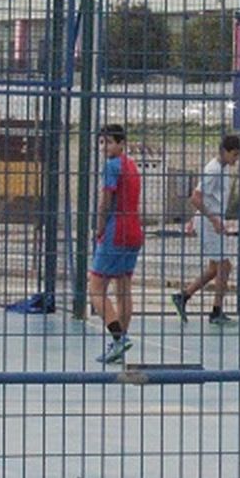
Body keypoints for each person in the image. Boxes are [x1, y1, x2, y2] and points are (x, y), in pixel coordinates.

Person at [172, 134, 240, 324]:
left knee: (214, 268)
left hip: (210, 219)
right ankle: (216, 311)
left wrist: (193, 218)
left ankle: (183, 296)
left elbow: (207, 197)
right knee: (225, 266)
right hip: (209, 222)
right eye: (234, 155)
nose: (236, 159)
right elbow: (195, 197)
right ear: (225, 151)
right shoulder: (213, 170)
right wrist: (212, 220)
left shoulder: (223, 167)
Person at [89, 124, 144, 363]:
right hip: (135, 229)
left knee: (96, 289)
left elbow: (105, 201)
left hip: (116, 230)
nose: (105, 147)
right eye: (102, 142)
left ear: (121, 143)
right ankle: (119, 342)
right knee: (123, 288)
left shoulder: (111, 166)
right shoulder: (132, 165)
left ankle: (119, 338)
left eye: (110, 142)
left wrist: (99, 227)